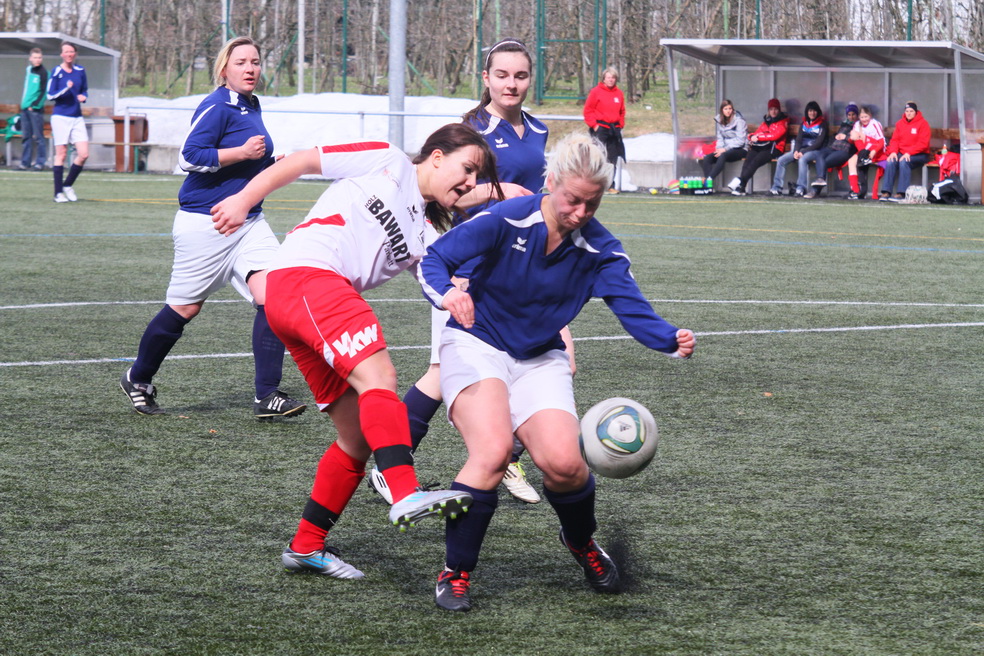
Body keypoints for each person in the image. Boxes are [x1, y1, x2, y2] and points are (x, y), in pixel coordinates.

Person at [420, 132, 697, 612]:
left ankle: (581, 542)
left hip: (539, 356)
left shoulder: (601, 250)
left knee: (567, 466)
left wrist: (670, 338)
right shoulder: (507, 217)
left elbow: (630, 305)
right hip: (475, 342)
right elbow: (435, 259)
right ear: (551, 183)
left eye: (592, 203)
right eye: (572, 200)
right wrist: (448, 295)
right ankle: (455, 571)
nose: (580, 213)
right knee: (493, 452)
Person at [210, 123, 502, 576]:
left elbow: (442, 282)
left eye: (476, 177)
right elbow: (304, 160)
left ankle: (306, 545)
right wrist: (243, 200)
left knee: (358, 439)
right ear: (437, 155)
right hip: (308, 277)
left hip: (301, 302)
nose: (470, 182)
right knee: (379, 377)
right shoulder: (387, 159)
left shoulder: (424, 234)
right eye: (467, 168)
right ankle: (404, 490)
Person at [369, 38, 551, 507]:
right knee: (440, 371)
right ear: (486, 78)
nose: (511, 84)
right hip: (471, 266)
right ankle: (391, 467)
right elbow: (442, 194)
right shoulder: (471, 130)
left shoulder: (538, 129)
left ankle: (505, 456)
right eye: (502, 75)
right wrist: (497, 190)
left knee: (531, 363)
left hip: (518, 271)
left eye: (520, 75)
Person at [119, 36, 305, 421]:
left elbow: (248, 162)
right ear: (224, 69)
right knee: (185, 308)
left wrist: (271, 163)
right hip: (208, 222)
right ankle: (137, 377)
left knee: (275, 296)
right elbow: (189, 157)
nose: (250, 68)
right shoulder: (217, 105)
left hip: (249, 221)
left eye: (255, 61)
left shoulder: (250, 104)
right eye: (241, 62)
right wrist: (241, 153)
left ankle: (267, 395)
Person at [46, 42, 88, 202]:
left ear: (75, 54)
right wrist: (66, 88)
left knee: (84, 154)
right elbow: (50, 95)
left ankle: (67, 185)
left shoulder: (80, 70)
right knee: (61, 154)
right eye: (66, 52)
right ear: (61, 54)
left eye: (71, 51)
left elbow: (84, 90)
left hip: (77, 117)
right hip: (60, 117)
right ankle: (58, 193)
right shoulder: (56, 71)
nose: (69, 54)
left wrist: (84, 97)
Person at [728, 98, 788, 196]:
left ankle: (740, 182)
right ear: (768, 110)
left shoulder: (783, 122)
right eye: (771, 109)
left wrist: (758, 137)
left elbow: (774, 136)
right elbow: (756, 133)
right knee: (749, 159)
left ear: (779, 110)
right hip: (762, 146)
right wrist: (751, 136)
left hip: (774, 149)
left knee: (756, 161)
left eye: (775, 109)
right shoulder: (766, 122)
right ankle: (742, 187)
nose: (773, 111)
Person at [769, 100, 827, 197]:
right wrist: (796, 150)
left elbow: (818, 143)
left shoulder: (822, 124)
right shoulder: (804, 123)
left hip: (815, 151)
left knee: (802, 159)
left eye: (814, 111)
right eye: (810, 111)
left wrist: (803, 152)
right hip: (801, 150)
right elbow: (799, 140)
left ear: (818, 112)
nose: (812, 113)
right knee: (781, 160)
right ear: (807, 112)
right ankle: (777, 188)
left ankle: (801, 188)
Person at [801, 103, 859, 198]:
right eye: (849, 114)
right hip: (832, 147)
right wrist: (836, 137)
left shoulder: (858, 126)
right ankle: (820, 180)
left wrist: (845, 137)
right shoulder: (844, 124)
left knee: (824, 162)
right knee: (819, 154)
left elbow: (857, 140)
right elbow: (837, 136)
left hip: (844, 151)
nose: (851, 117)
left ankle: (815, 190)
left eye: (853, 114)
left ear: (857, 115)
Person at [583, 67, 626, 193]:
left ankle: (610, 184)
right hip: (600, 129)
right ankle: (593, 184)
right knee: (597, 157)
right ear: (604, 79)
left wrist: (620, 125)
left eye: (613, 78)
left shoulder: (619, 93)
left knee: (612, 158)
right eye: (608, 78)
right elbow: (588, 110)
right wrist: (595, 126)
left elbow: (622, 111)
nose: (611, 80)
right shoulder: (596, 92)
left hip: (614, 130)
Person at [879, 101, 931, 202]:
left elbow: (923, 144)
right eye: (907, 111)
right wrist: (893, 152)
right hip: (902, 153)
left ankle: (902, 193)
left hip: (920, 154)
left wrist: (909, 153)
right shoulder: (900, 123)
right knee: (891, 161)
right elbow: (895, 140)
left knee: (904, 162)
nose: (909, 113)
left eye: (911, 111)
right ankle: (886, 192)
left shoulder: (923, 124)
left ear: (916, 112)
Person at [699, 99, 748, 185]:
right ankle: (708, 186)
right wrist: (719, 149)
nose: (728, 111)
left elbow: (741, 141)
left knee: (723, 155)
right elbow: (720, 138)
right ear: (722, 110)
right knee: (707, 158)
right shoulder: (720, 120)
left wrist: (725, 149)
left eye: (730, 108)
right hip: (725, 149)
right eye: (726, 109)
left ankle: (709, 180)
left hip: (741, 149)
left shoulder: (739, 120)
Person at [846, 106, 885, 200]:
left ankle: (863, 156)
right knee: (851, 161)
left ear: (870, 116)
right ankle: (855, 190)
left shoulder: (875, 123)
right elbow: (853, 140)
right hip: (863, 150)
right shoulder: (857, 124)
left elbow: (881, 142)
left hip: (876, 150)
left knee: (858, 135)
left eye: (866, 116)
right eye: (862, 117)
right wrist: (852, 137)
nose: (864, 119)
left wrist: (874, 151)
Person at [19, 47, 47, 171]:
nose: (37, 60)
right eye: (35, 57)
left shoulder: (44, 72)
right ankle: (25, 162)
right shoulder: (29, 70)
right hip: (24, 109)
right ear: (30, 58)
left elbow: (44, 92)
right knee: (26, 137)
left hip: (35, 110)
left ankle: (40, 162)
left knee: (39, 137)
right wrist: (24, 104)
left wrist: (34, 105)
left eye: (39, 57)